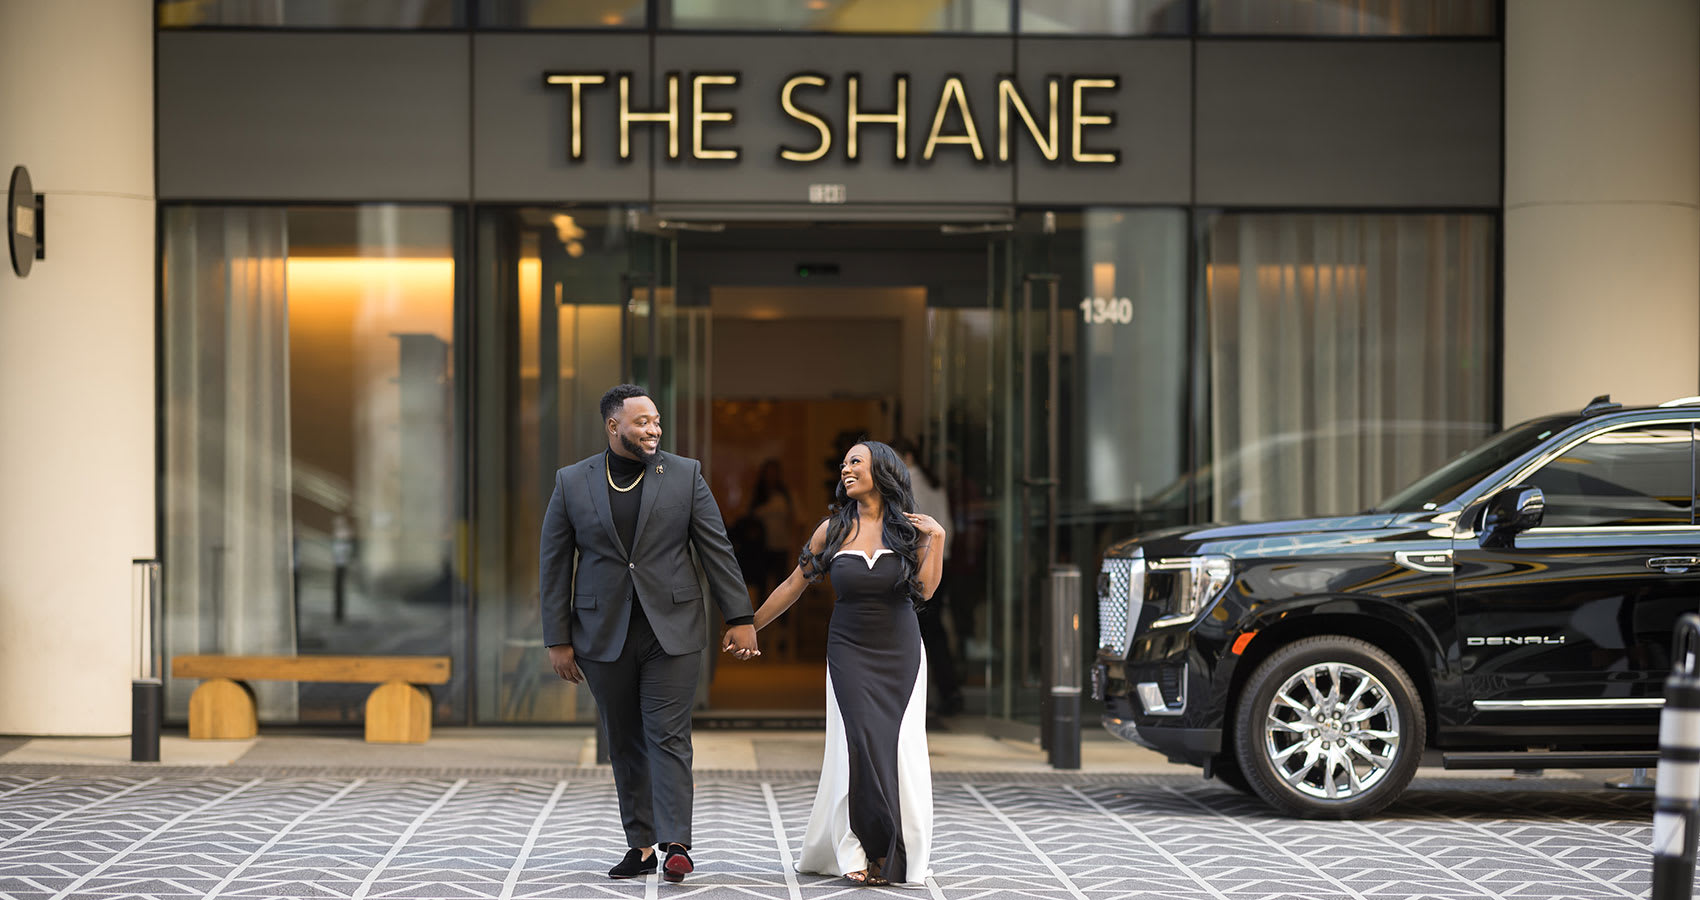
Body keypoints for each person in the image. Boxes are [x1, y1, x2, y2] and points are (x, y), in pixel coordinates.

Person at [540, 384, 761, 884]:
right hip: (601, 634)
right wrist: (557, 638)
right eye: (641, 422)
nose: (653, 429)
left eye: (656, 421)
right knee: (624, 741)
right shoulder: (573, 482)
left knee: (668, 737)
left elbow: (716, 549)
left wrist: (740, 617)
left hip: (673, 632)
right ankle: (640, 846)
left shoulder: (685, 475)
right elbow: (553, 565)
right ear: (613, 425)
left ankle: (676, 844)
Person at [729, 440, 945, 887]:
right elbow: (793, 584)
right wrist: (751, 625)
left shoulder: (909, 530)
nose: (845, 469)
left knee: (897, 750)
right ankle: (855, 850)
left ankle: (896, 852)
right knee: (856, 747)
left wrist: (936, 539)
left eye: (856, 462)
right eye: (844, 463)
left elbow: (923, 592)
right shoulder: (831, 530)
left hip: (900, 654)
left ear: (881, 471)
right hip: (848, 651)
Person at [894, 438, 964, 718]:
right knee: (934, 632)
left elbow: (906, 531)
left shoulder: (908, 485)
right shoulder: (936, 485)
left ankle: (924, 697)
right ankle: (949, 692)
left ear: (908, 456)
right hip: (941, 562)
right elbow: (948, 528)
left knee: (916, 632)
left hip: (917, 565)